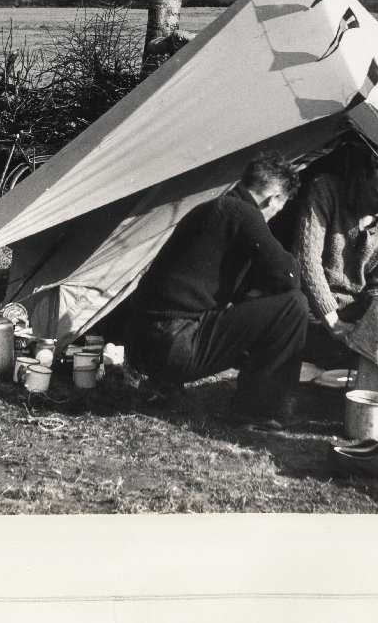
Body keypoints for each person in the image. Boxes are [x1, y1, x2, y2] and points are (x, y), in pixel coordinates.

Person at [125, 152, 310, 425]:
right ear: (273, 199)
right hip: (174, 343)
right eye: (276, 212)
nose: (271, 219)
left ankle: (164, 385)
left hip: (143, 343)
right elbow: (289, 276)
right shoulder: (244, 212)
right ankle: (261, 409)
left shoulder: (211, 209)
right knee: (293, 305)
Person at [292, 145, 378, 369]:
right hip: (310, 309)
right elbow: (307, 259)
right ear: (363, 178)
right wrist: (332, 320)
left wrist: (367, 328)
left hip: (352, 321)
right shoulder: (326, 191)